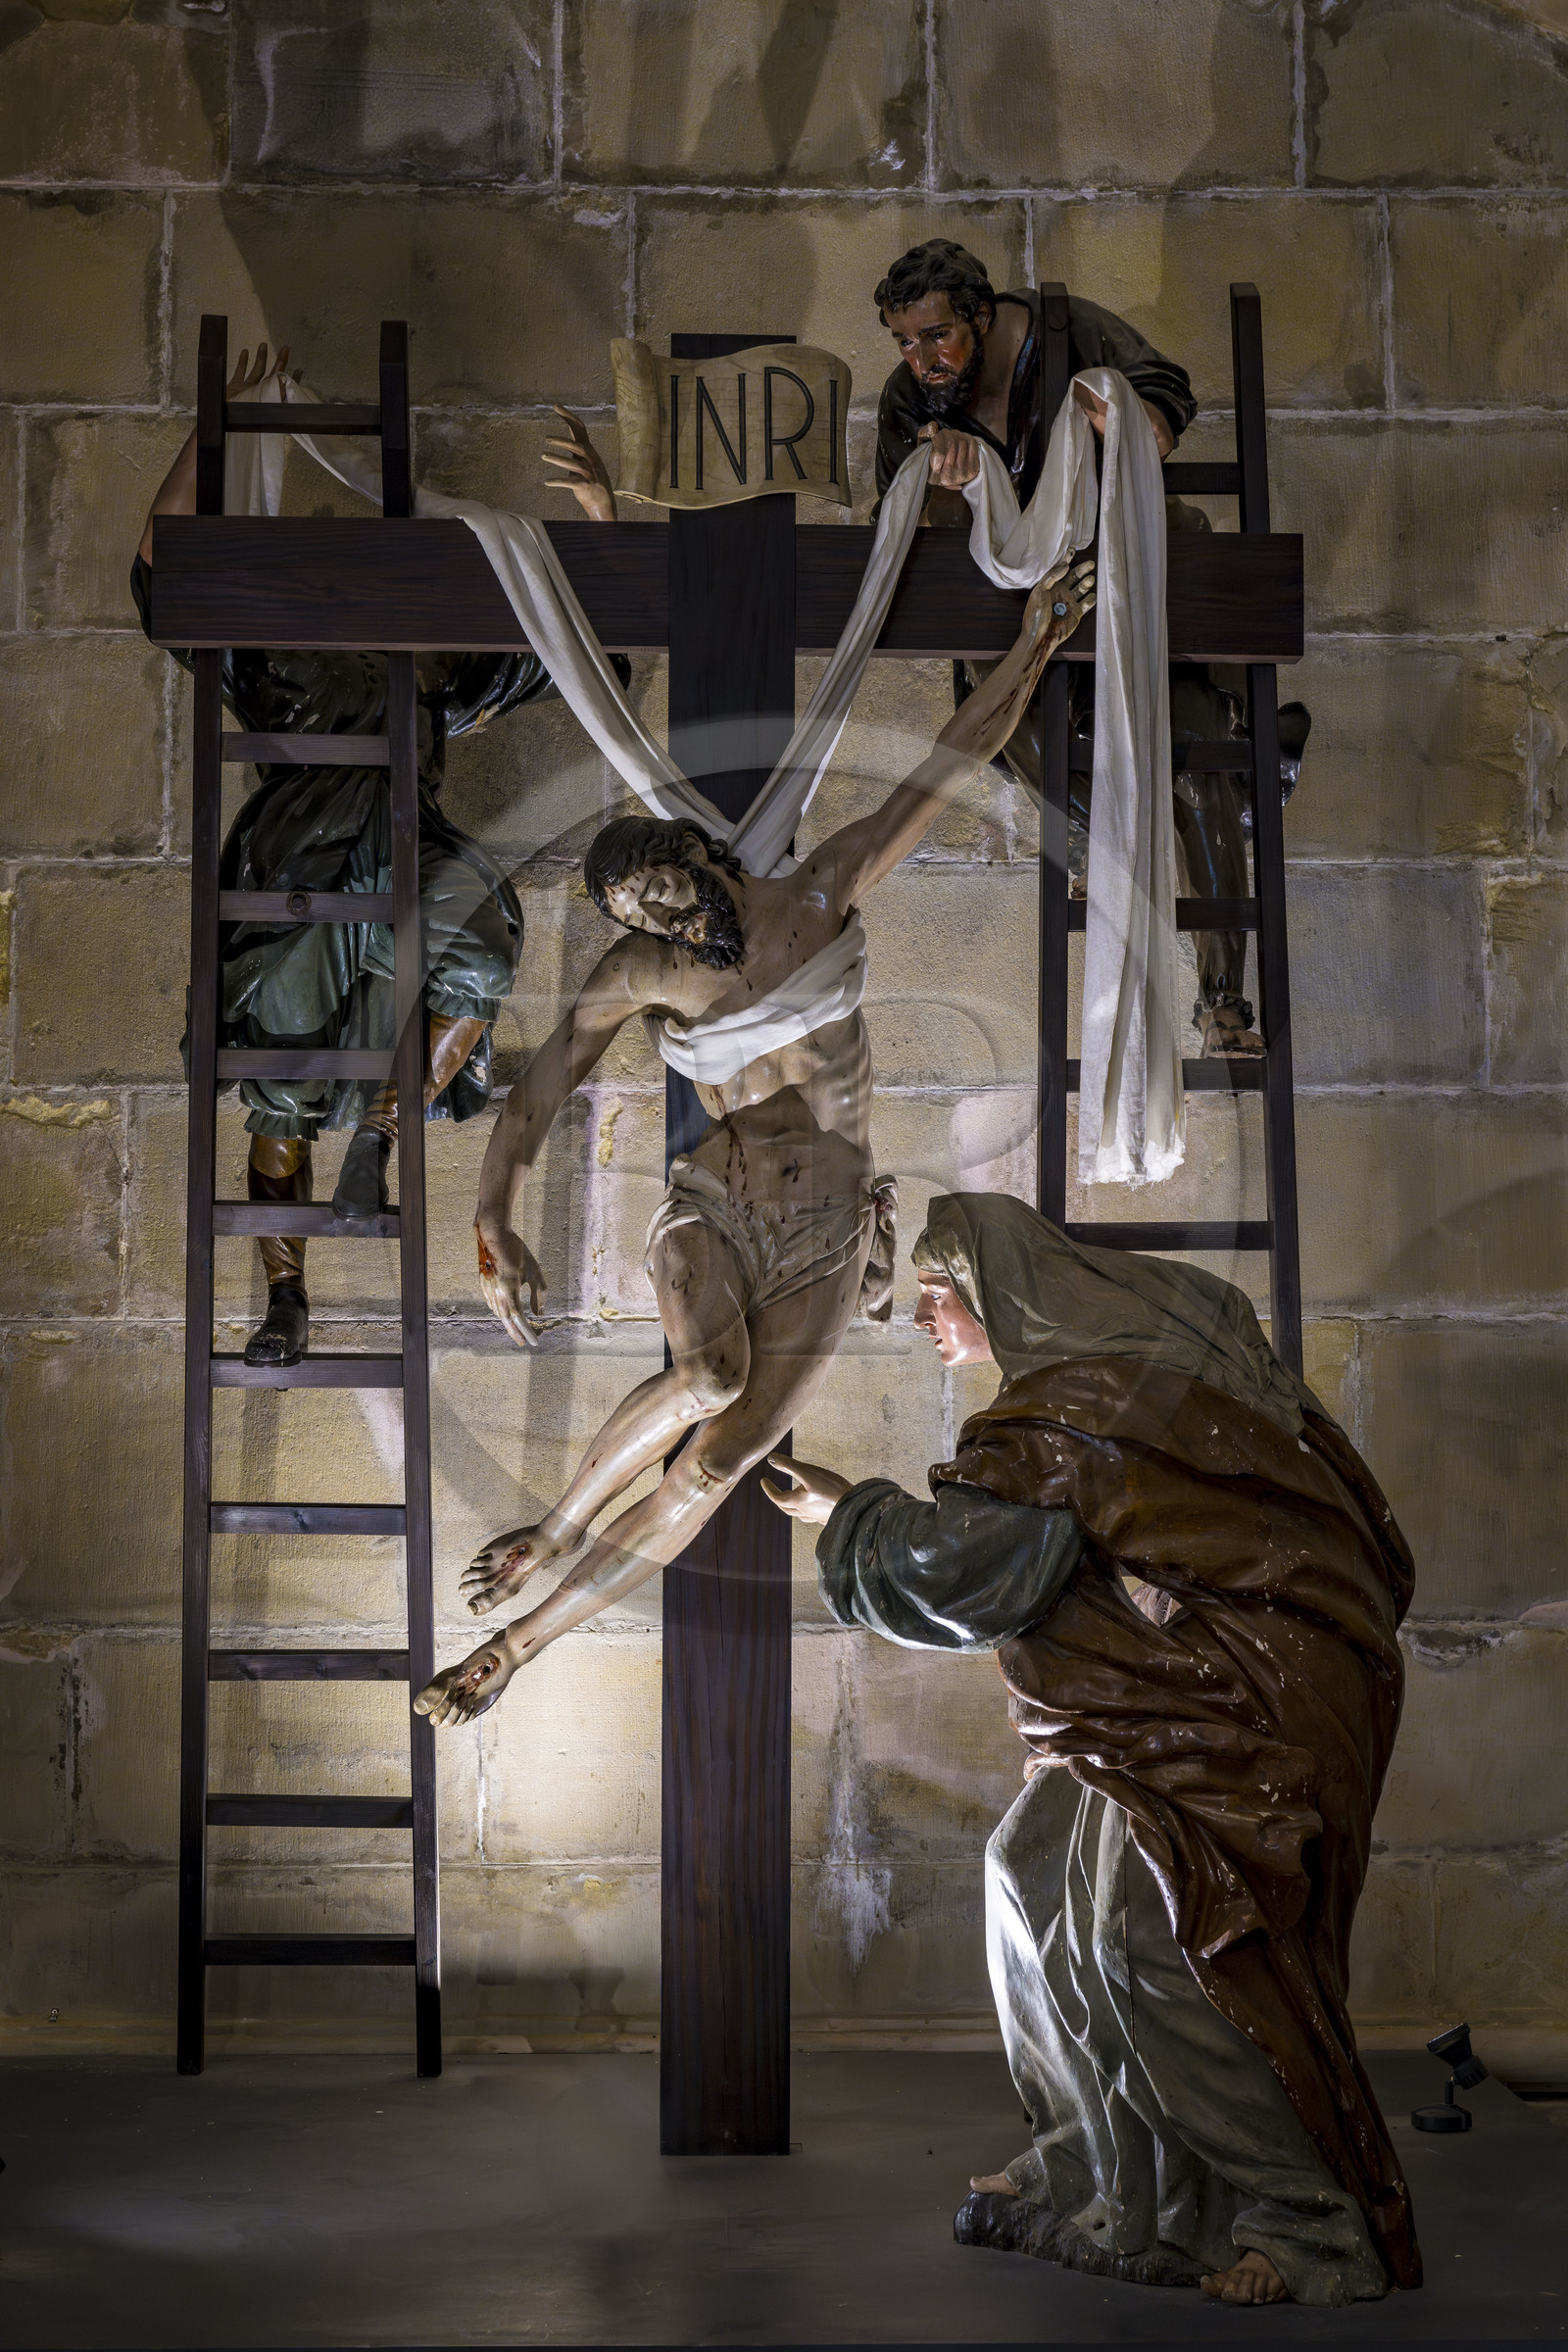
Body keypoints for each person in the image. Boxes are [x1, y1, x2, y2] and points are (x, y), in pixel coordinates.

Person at [411, 562, 1097, 1730]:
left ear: (696, 859)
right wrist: (491, 1217)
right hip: (717, 1206)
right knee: (708, 1379)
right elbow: (535, 1095)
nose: (666, 928)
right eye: (643, 920)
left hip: (829, 1231)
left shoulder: (818, 896)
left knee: (716, 1463)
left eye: (666, 900)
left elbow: (947, 762)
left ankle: (512, 1650)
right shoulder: (641, 973)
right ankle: (557, 1531)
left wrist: (1034, 641)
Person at [764, 1192, 1420, 2309]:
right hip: (1163, 1700)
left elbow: (970, 1577)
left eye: (938, 1292)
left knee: (1167, 1933)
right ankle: (1090, 2166)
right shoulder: (1099, 1391)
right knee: (1026, 1869)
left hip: (1235, 1708)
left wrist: (849, 1516)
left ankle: (1305, 2220)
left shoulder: (1077, 1408)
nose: (922, 1317)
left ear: (1001, 1295)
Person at [132, 348, 619, 1364]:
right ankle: (286, 1296)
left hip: (406, 851)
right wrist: (214, 431)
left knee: (481, 942)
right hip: (297, 869)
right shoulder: (268, 643)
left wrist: (602, 520)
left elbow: (583, 649)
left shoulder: (435, 656)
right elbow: (160, 568)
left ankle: (379, 1138)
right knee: (282, 1085)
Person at [873, 237, 1310, 1057]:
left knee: (1195, 760)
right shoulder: (910, 401)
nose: (922, 360)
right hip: (1018, 621)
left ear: (979, 316)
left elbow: (1161, 396)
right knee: (1029, 741)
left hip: (1132, 586)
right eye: (904, 342)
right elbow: (899, 527)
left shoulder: (1066, 333)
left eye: (936, 335)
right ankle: (1105, 848)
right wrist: (937, 483)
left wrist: (1129, 421)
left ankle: (1223, 1000)